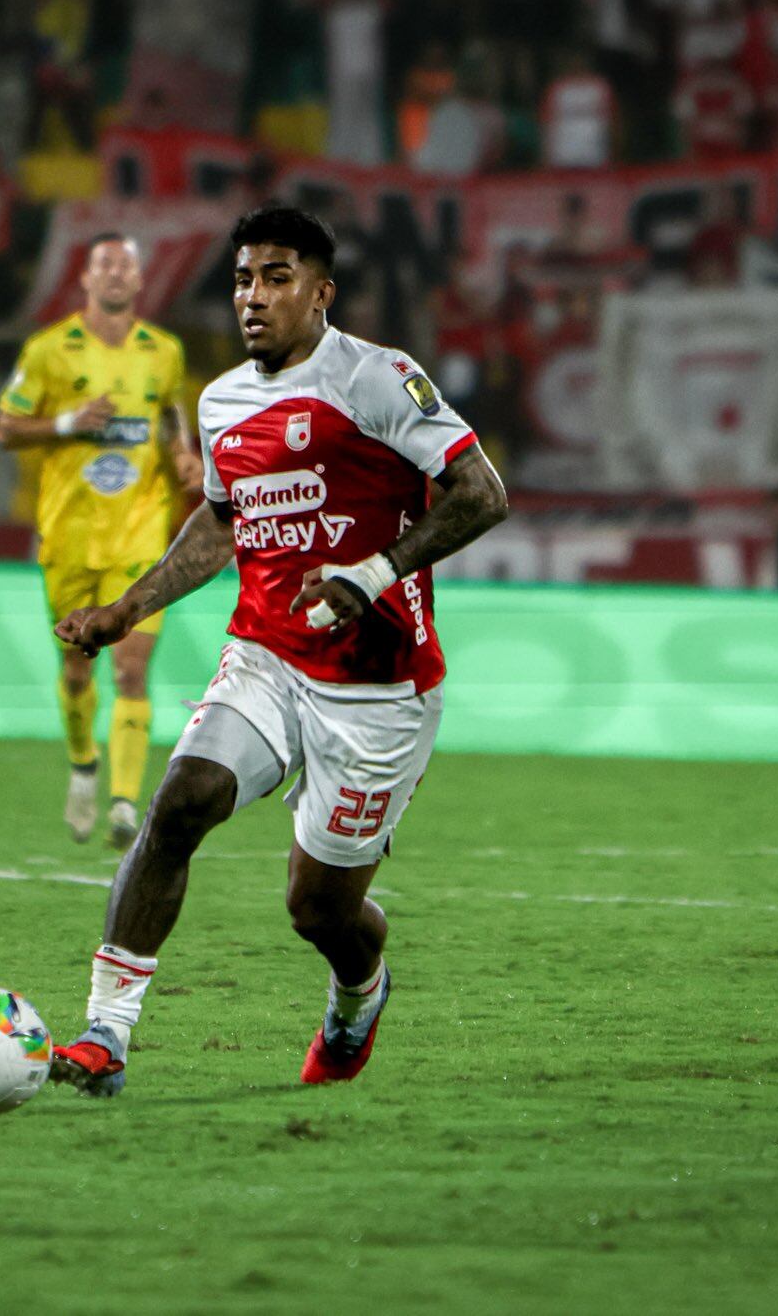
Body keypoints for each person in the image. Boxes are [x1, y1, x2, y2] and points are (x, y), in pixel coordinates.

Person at [49, 207, 508, 1096]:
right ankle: (105, 1033)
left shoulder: (378, 380)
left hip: (379, 687)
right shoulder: (222, 403)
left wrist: (369, 575)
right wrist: (126, 607)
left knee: (320, 909)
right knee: (182, 802)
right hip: (265, 655)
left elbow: (482, 495)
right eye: (242, 279)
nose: (252, 297)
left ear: (321, 292)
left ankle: (359, 991)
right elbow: (225, 523)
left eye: (276, 277)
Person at [0, 235, 196, 849]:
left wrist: (184, 455)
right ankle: (84, 764)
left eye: (126, 264)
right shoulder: (49, 350)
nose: (115, 273)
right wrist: (66, 423)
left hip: (138, 535)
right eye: (104, 263)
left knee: (132, 670)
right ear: (85, 278)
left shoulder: (163, 352)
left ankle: (126, 805)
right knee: (78, 674)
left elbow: (169, 416)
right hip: (70, 538)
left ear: (138, 281)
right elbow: (6, 427)